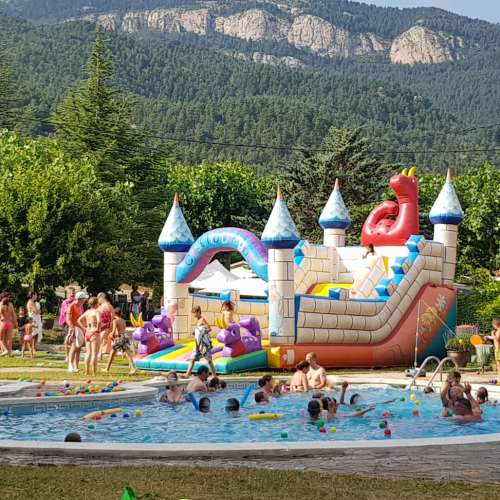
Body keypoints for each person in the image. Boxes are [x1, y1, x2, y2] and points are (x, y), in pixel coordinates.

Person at [102, 308, 138, 375]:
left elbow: (114, 331)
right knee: (128, 353)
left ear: (114, 314)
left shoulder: (115, 321)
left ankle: (107, 368)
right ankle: (133, 368)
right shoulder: (123, 321)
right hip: (125, 336)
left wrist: (110, 335)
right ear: (121, 314)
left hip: (119, 337)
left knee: (112, 353)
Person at [184, 307, 216, 378]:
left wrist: (201, 333)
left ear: (199, 312)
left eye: (195, 313)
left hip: (203, 344)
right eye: (193, 313)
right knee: (192, 358)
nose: (194, 315)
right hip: (198, 344)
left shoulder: (202, 320)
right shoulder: (198, 320)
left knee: (209, 360)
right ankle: (187, 374)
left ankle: (214, 375)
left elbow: (209, 329)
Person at [77, 297, 101, 376]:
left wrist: (84, 328)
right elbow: (99, 321)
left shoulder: (87, 312)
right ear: (96, 303)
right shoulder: (96, 312)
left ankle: (87, 371)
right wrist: (98, 328)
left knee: (88, 353)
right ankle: (94, 372)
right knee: (94, 354)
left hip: (88, 332)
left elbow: (79, 320)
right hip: (94, 332)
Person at [65, 292, 88, 373]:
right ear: (81, 299)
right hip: (75, 329)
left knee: (78, 349)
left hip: (80, 329)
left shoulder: (79, 306)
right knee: (74, 347)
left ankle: (76, 366)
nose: (85, 300)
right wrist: (73, 328)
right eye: (84, 298)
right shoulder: (72, 306)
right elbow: (68, 319)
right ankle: (70, 366)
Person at [59, 287, 76, 363]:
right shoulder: (65, 302)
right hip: (67, 322)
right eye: (72, 293)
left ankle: (73, 356)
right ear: (68, 293)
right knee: (67, 339)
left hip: (75, 322)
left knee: (74, 339)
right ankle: (67, 356)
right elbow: (64, 311)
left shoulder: (77, 302)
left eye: (74, 293)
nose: (73, 294)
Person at [97, 293, 114, 360]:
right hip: (99, 325)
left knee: (101, 339)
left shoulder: (108, 305)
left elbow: (112, 314)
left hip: (106, 324)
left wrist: (111, 324)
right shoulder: (99, 305)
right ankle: (99, 353)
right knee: (99, 339)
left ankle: (100, 354)